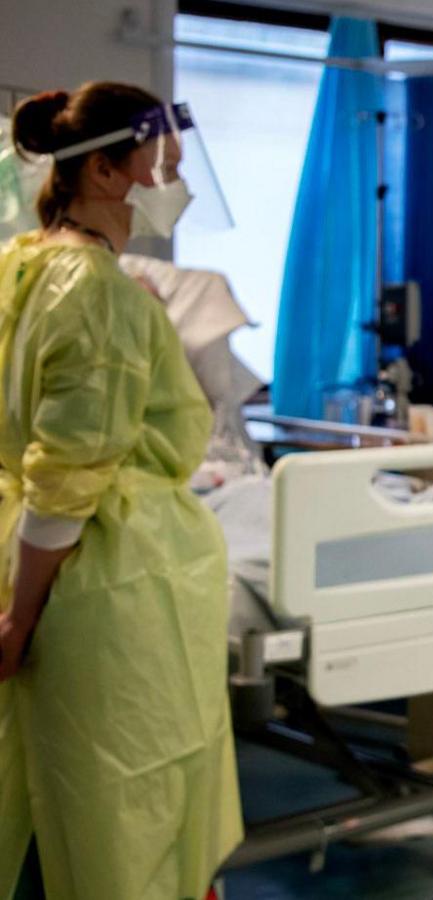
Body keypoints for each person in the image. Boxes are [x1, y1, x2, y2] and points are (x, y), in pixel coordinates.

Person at [0, 84, 241, 899]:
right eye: (160, 161)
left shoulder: (25, 261)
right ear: (105, 171)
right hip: (105, 588)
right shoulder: (98, 292)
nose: (171, 180)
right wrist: (19, 619)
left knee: (43, 807)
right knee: (125, 822)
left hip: (56, 564)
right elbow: (65, 479)